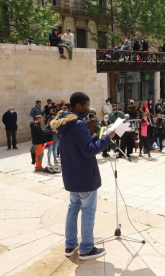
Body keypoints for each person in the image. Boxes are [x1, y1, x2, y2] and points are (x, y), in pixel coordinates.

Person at [50, 92, 114, 260]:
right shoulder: (78, 124)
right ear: (78, 106)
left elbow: (81, 143)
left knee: (73, 209)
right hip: (85, 177)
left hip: (72, 176)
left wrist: (98, 136)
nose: (88, 109)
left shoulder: (66, 124)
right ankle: (86, 248)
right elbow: (89, 150)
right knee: (87, 212)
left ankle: (70, 245)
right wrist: (107, 138)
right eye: (86, 106)